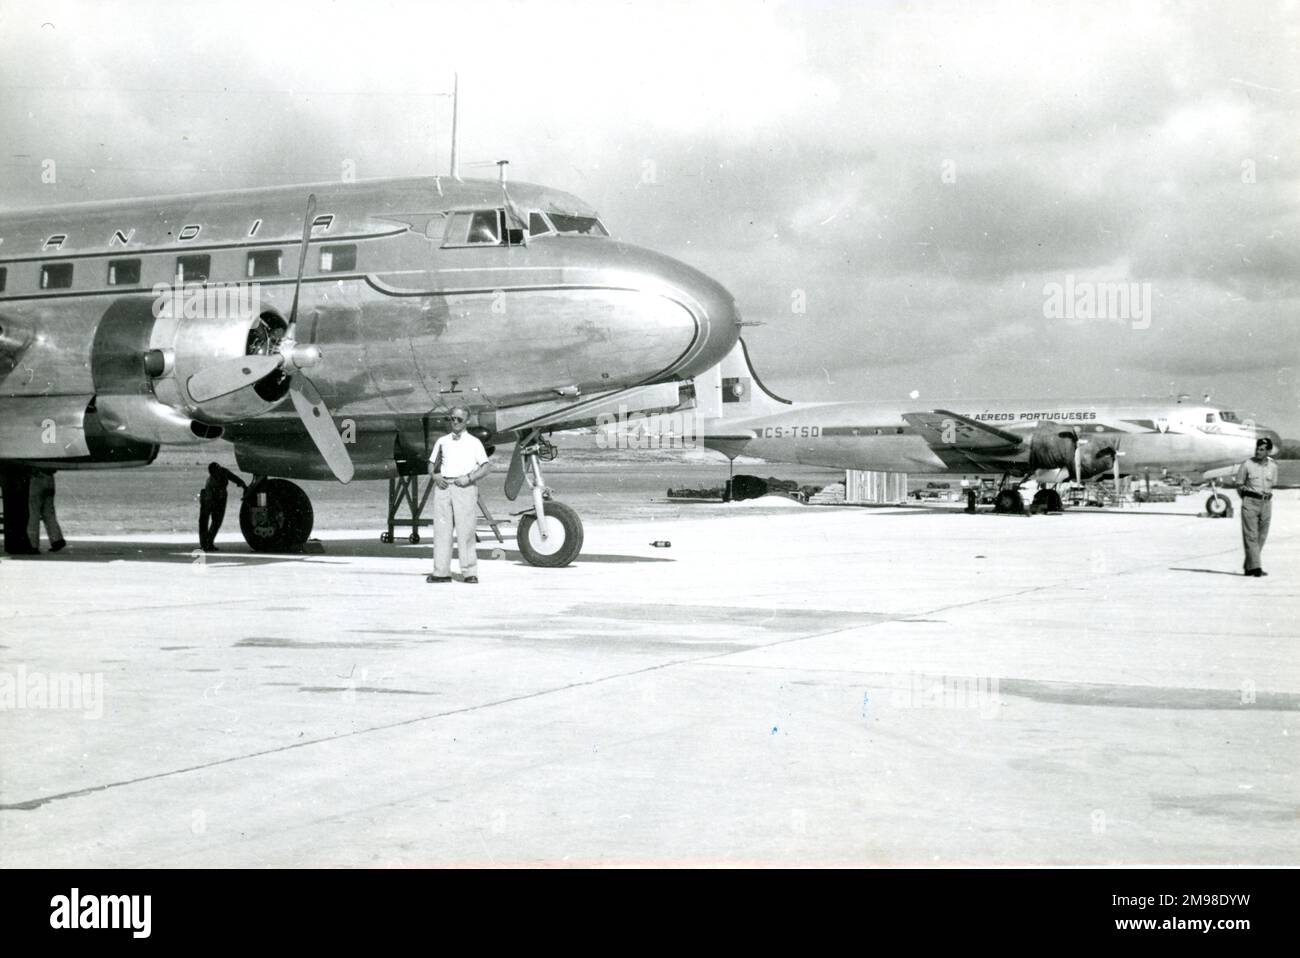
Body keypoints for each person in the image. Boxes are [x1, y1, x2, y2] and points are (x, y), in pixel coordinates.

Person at [426, 407, 491, 584]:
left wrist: (469, 478)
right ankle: (441, 572)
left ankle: (469, 572)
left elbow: (485, 467)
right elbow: (431, 464)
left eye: (458, 419)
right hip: (444, 487)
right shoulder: (442, 441)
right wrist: (435, 476)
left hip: (465, 488)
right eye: (451, 419)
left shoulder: (474, 442)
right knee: (441, 531)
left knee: (466, 531)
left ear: (467, 421)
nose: (454, 422)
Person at [1235, 437, 1277, 577]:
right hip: (1250, 502)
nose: (1258, 452)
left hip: (1266, 503)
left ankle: (1249, 566)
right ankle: (1256, 568)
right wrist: (1247, 499)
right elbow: (1239, 484)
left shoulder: (1273, 466)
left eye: (1262, 449)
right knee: (1251, 536)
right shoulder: (1247, 464)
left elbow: (1273, 484)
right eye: (1257, 449)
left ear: (1268, 451)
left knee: (1262, 536)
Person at [200, 462, 247, 552]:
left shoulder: (223, 472)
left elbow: (234, 478)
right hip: (209, 499)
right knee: (206, 522)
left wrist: (243, 485)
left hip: (220, 499)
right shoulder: (212, 481)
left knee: (216, 522)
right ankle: (205, 544)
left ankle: (208, 543)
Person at [26, 467, 65, 554]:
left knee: (34, 514)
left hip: (37, 479)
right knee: (49, 512)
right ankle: (57, 539)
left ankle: (33, 545)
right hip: (50, 479)